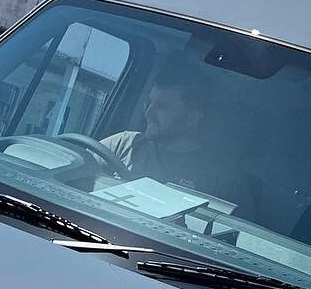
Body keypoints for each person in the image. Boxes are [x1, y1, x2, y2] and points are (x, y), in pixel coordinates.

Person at [102, 58, 259, 212]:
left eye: (162, 107)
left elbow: (235, 234)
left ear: (192, 118)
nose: (149, 113)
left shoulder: (224, 178)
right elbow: (79, 164)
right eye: (149, 103)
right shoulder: (123, 143)